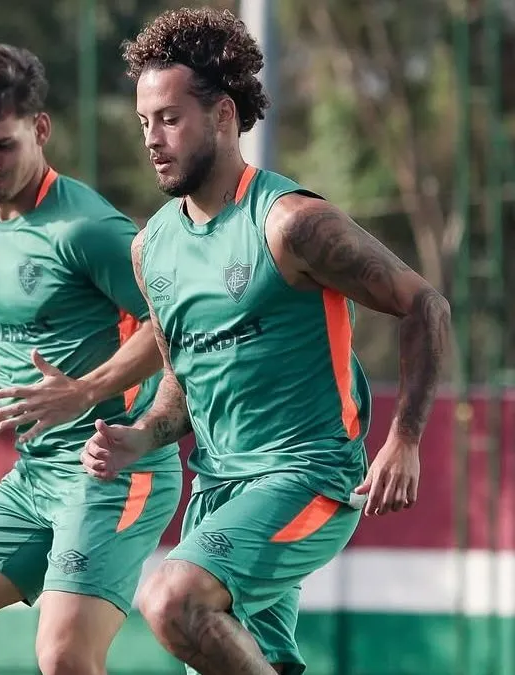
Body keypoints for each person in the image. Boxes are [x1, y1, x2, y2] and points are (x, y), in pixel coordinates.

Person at [79, 8, 452, 675]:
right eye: (144, 122)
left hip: (307, 479)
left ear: (222, 114)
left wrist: (406, 436)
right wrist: (140, 436)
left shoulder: (290, 224)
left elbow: (426, 304)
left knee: (170, 601)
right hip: (215, 492)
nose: (153, 140)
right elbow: (183, 378)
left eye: (169, 118)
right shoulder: (152, 248)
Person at [0, 43, 183, 675]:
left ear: (40, 129)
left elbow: (176, 323)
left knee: (63, 656)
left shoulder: (88, 229)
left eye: (2, 145)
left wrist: (86, 390)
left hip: (114, 471)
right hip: (34, 477)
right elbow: (13, 333)